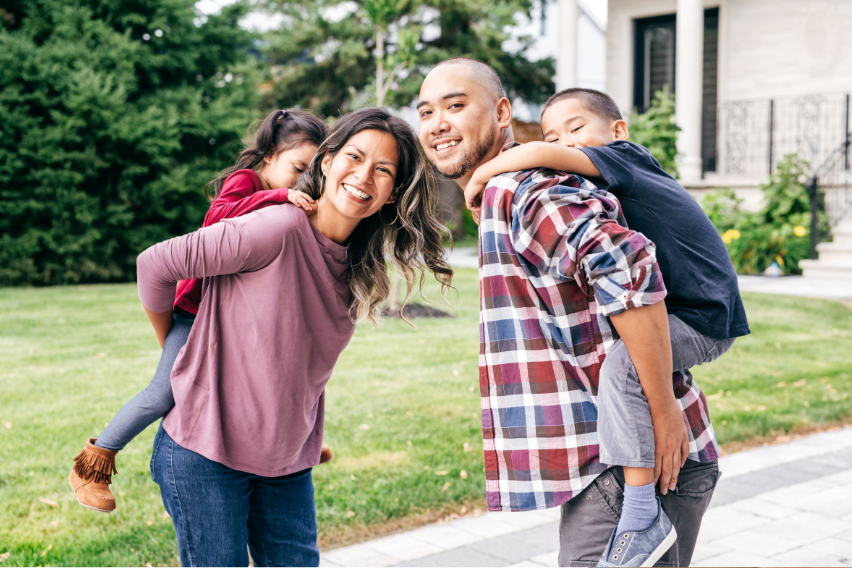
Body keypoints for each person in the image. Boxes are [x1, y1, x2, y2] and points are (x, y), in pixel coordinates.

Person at [418, 58, 721, 567]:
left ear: (502, 112)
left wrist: (664, 412)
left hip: (635, 467)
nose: (437, 123)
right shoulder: (507, 190)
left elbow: (628, 265)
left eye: (455, 105)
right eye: (425, 112)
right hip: (619, 464)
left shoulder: (523, 189)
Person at [142, 107, 450, 566]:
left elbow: (297, 362)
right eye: (354, 156)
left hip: (285, 464)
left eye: (383, 170)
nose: (364, 175)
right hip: (205, 451)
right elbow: (155, 265)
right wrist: (180, 346)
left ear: (392, 194)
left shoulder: (360, 269)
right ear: (326, 161)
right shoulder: (277, 228)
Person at [68, 108, 329, 514]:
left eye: (311, 175)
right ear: (269, 158)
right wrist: (278, 196)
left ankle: (294, 443)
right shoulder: (246, 182)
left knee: (278, 369)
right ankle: (94, 463)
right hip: (197, 313)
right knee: (163, 392)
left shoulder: (291, 200)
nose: (302, 182)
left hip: (236, 315)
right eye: (297, 168)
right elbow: (216, 218)